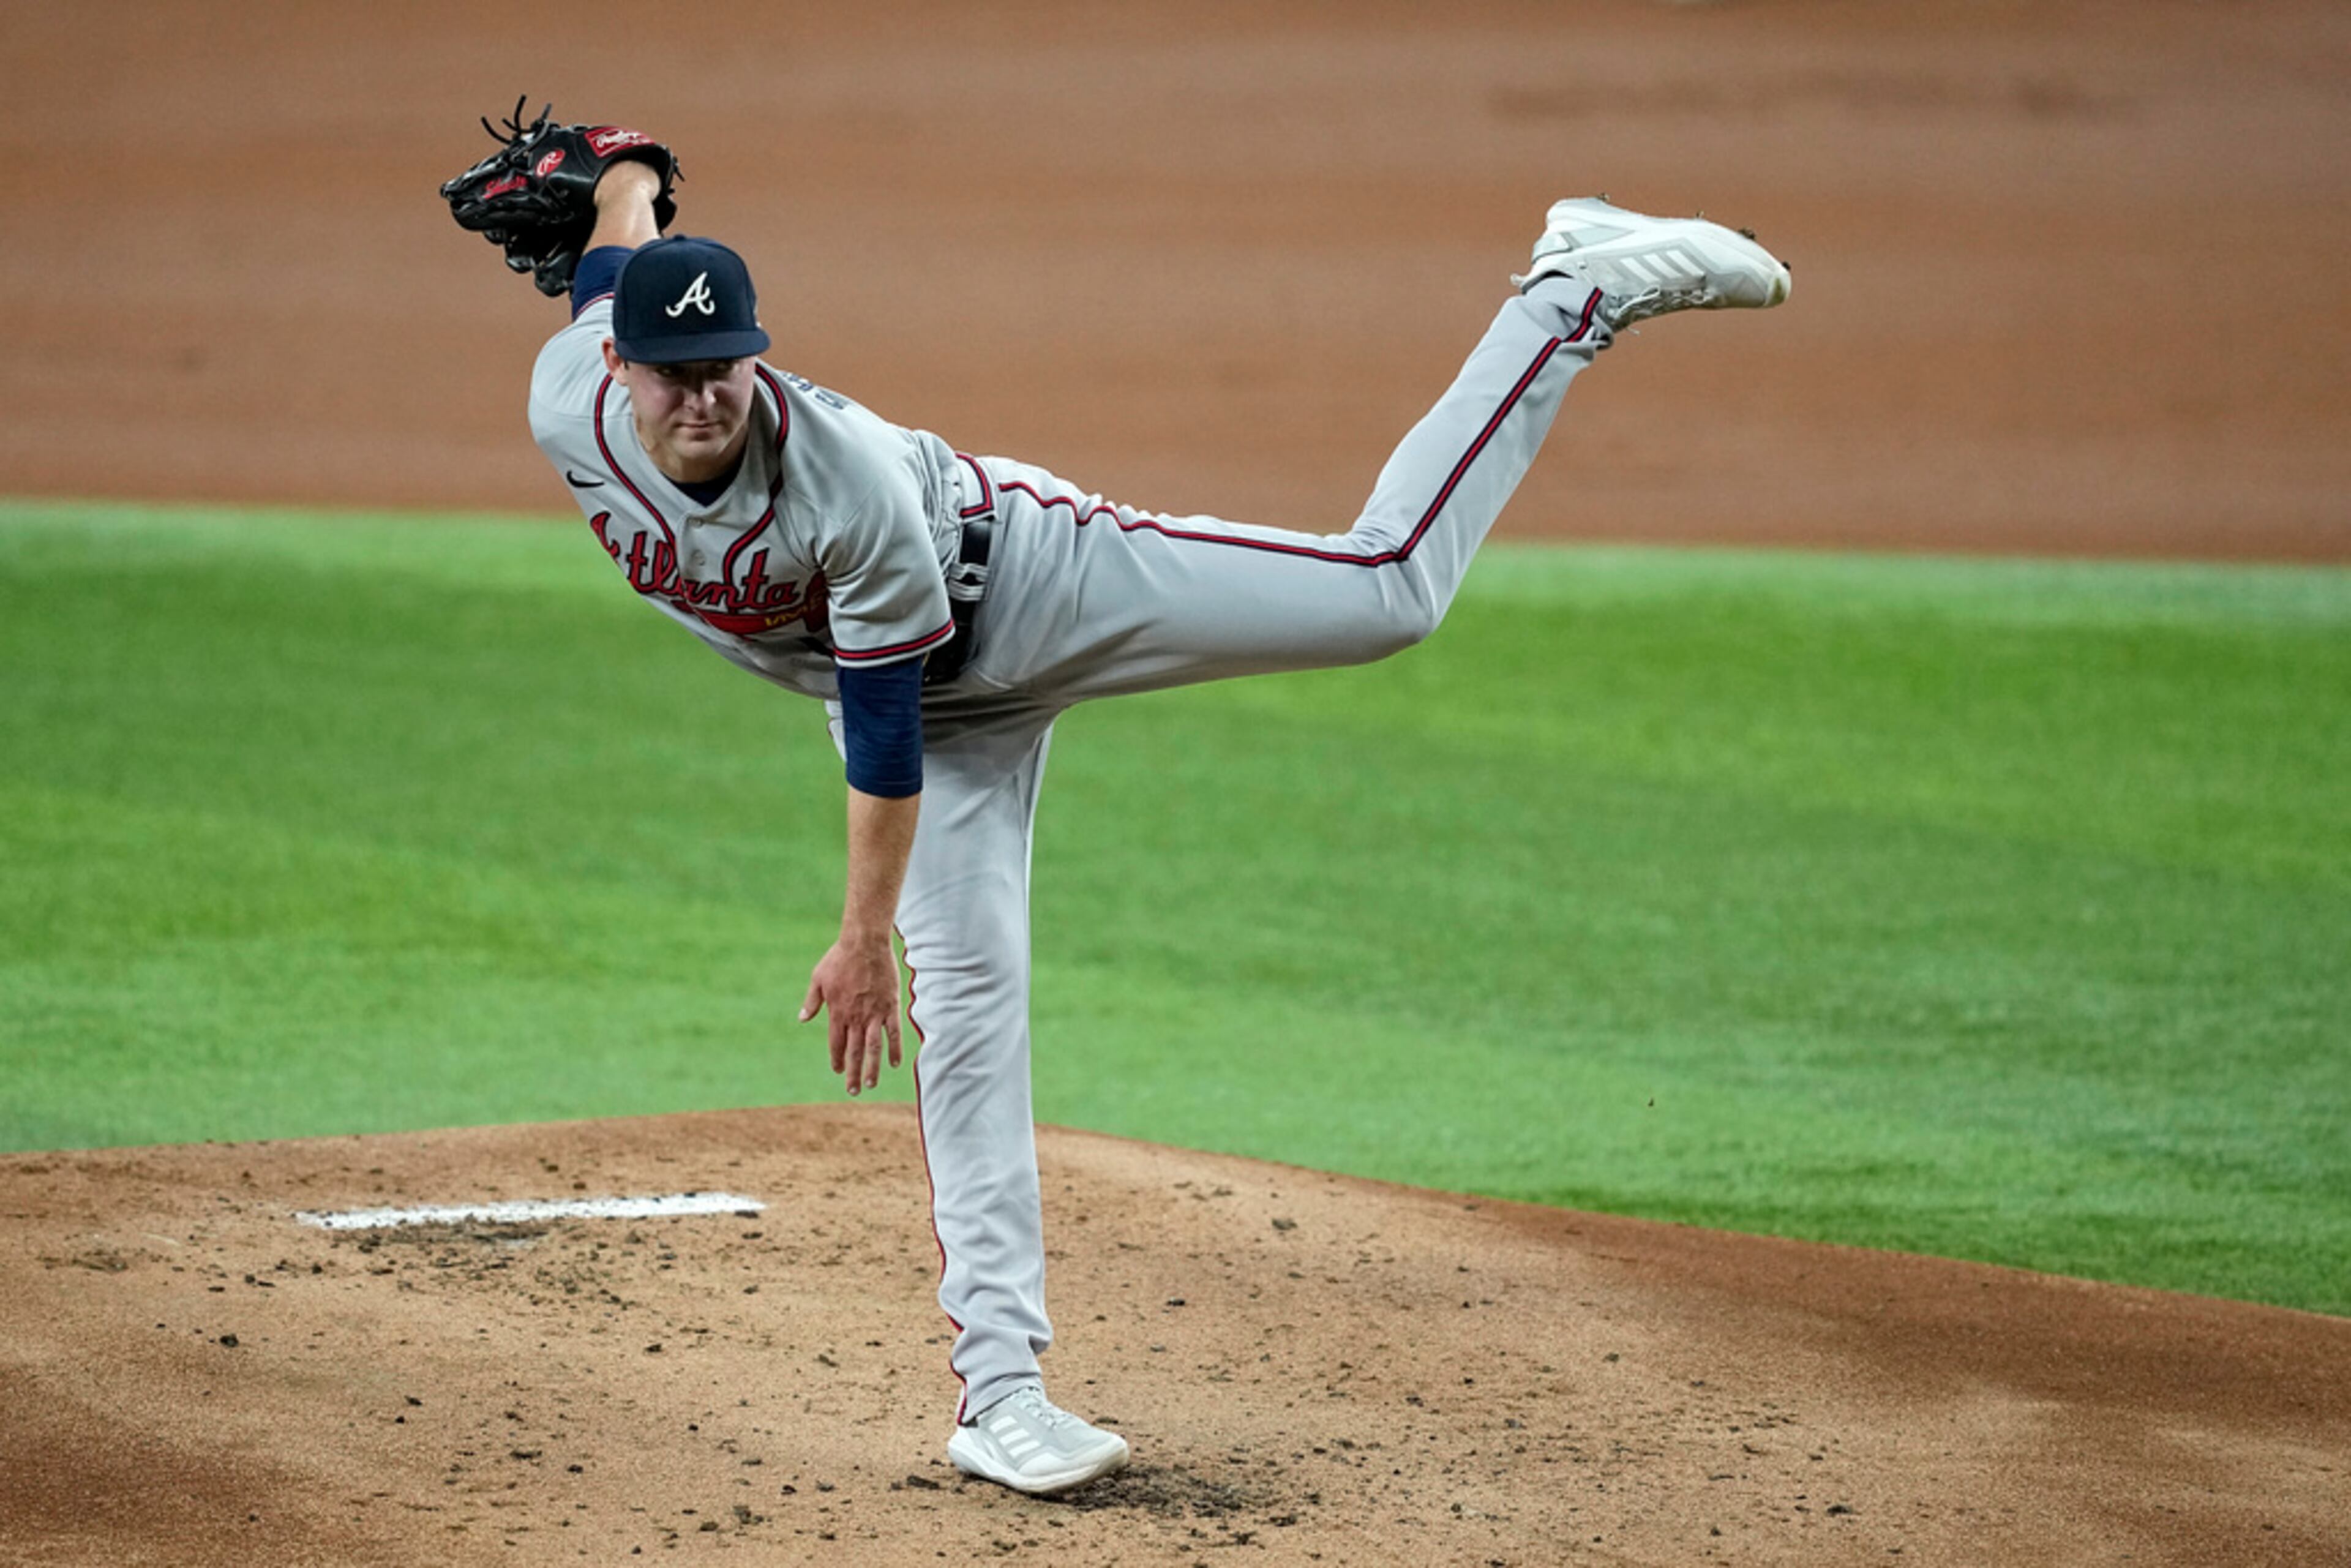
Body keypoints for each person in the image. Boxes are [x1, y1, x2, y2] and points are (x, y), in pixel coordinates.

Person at [522, 156, 1788, 1495]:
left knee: (1385, 595)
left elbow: (884, 740)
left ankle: (1570, 290)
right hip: (938, 723)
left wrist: (858, 938)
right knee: (971, 1017)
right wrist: (630, 177)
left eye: (730, 364)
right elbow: (608, 270)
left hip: (1032, 581)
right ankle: (1003, 1398)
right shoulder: (569, 398)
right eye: (678, 371)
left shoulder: (843, 487)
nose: (707, 395)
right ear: (621, 375)